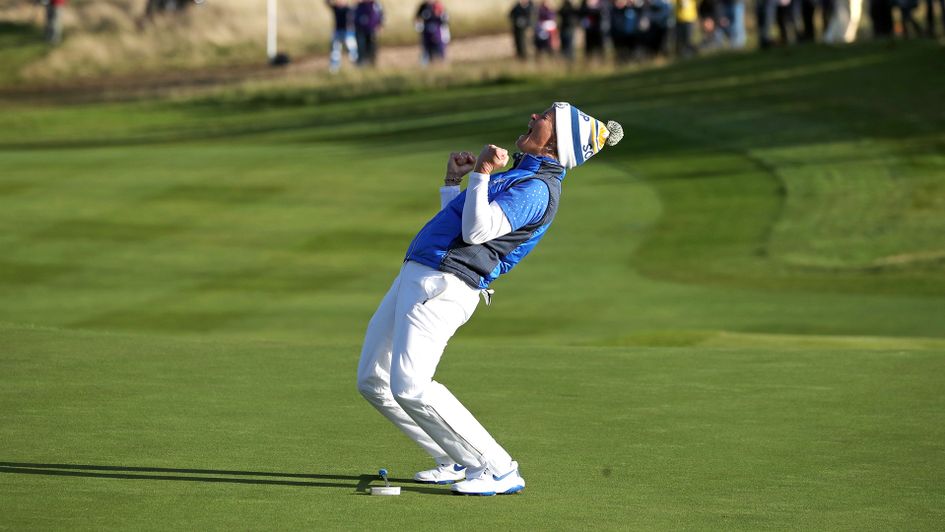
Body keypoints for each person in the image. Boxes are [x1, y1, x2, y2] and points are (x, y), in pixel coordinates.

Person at [356, 103, 623, 496]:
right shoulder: (521, 175)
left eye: (545, 117)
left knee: (411, 385)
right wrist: (454, 181)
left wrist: (482, 173)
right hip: (421, 274)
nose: (534, 117)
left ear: (556, 145)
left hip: (444, 286)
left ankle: (498, 468)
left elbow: (477, 231)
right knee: (373, 381)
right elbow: (458, 223)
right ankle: (453, 458)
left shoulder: (535, 188)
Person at [326, 0, 359, 73]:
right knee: (335, 50)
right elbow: (327, 3)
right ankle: (334, 67)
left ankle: (357, 64)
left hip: (348, 32)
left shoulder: (349, 9)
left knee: (352, 49)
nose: (340, 2)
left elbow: (357, 5)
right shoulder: (335, 8)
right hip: (337, 32)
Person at [416, 0, 450, 65]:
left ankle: (441, 65)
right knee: (427, 51)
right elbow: (417, 18)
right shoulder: (423, 6)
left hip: (437, 33)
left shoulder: (438, 5)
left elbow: (445, 19)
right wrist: (419, 26)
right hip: (426, 33)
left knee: (440, 51)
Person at [354, 0, 384, 66]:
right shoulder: (358, 5)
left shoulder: (376, 4)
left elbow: (381, 14)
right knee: (361, 47)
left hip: (371, 29)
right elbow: (352, 16)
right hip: (360, 29)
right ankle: (361, 63)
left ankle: (371, 63)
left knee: (371, 47)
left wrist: (380, 25)